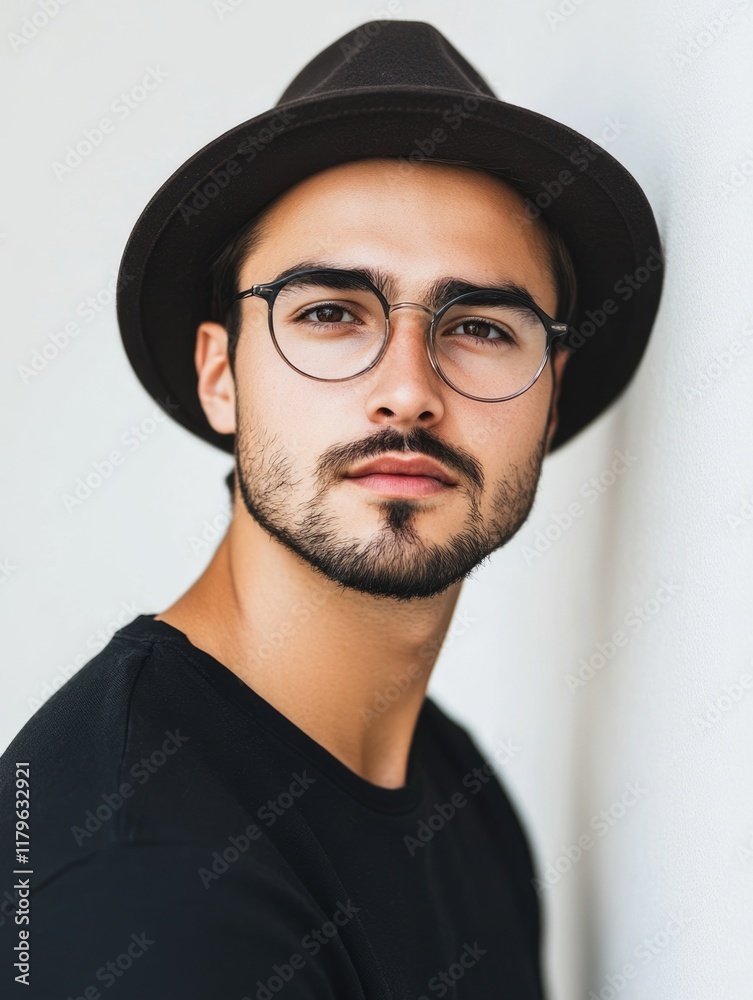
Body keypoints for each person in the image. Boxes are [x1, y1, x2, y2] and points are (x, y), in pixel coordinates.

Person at [0, 19, 663, 998]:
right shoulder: (137, 875)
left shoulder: (459, 793)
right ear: (222, 375)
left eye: (479, 326)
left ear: (551, 395)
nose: (407, 388)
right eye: (330, 312)